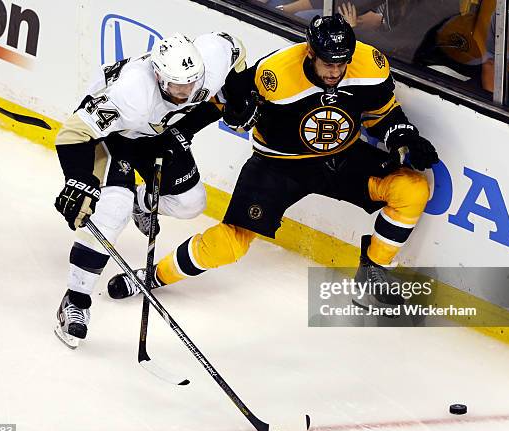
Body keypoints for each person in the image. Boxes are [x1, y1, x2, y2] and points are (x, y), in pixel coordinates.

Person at [107, 14, 439, 310]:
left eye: (342, 64)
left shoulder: (370, 64)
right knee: (231, 243)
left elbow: (383, 112)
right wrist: (184, 131)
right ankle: (153, 276)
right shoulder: (275, 73)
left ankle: (371, 274)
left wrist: (404, 137)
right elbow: (225, 101)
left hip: (342, 157)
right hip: (279, 165)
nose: (335, 72)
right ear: (310, 52)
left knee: (411, 189)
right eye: (328, 64)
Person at [53, 32, 246, 348]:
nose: (185, 92)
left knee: (190, 203)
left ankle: (140, 204)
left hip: (156, 130)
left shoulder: (209, 60)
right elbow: (74, 132)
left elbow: (235, 49)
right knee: (112, 209)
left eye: (191, 83)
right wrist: (78, 180)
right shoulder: (132, 93)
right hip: (116, 135)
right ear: (158, 75)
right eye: (176, 85)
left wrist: (237, 96)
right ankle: (75, 302)